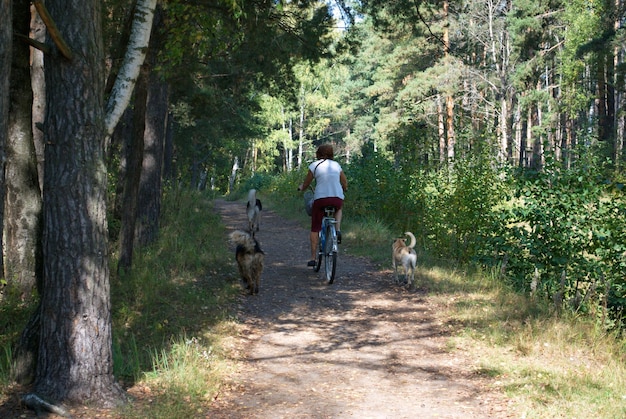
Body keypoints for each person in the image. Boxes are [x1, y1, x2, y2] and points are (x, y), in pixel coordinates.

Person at [297, 144, 348, 267]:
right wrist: (344, 189)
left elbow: (306, 183)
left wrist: (301, 188)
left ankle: (313, 258)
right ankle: (338, 229)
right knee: (339, 208)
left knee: (315, 227)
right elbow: (344, 181)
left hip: (320, 200)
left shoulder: (314, 165)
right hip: (336, 198)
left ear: (318, 153)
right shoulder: (336, 165)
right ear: (331, 154)